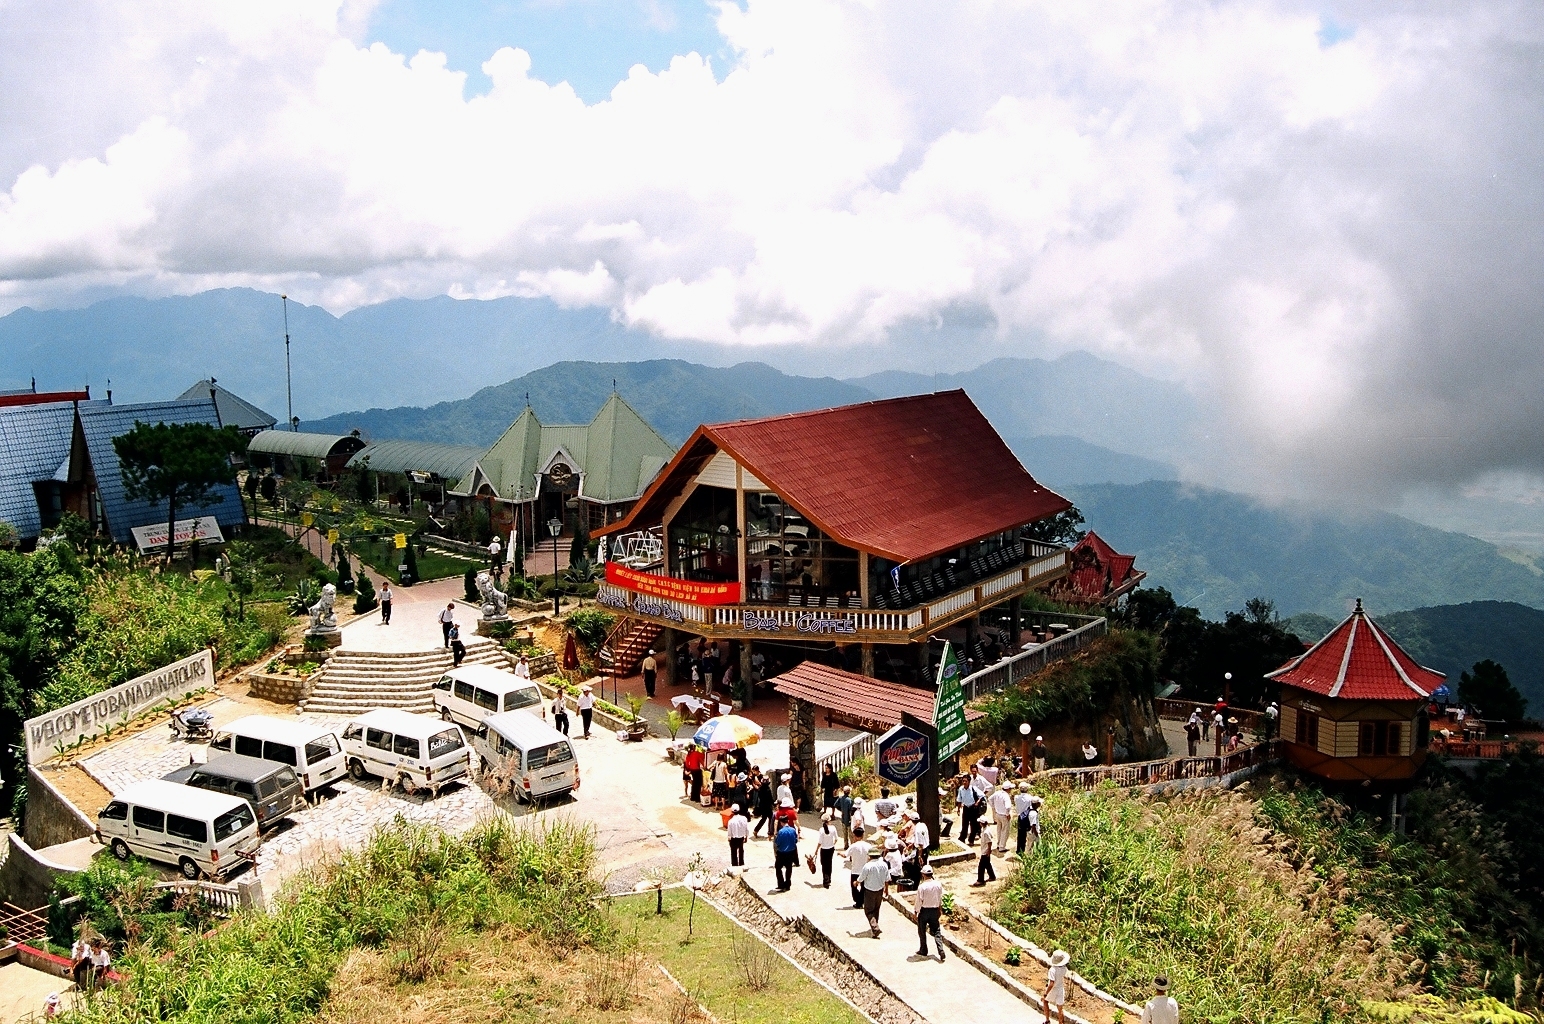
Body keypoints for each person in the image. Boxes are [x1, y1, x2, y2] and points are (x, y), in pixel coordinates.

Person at [913, 864, 946, 961]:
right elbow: (940, 897)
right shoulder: (938, 885)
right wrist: (940, 909)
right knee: (937, 931)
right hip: (934, 910)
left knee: (922, 930)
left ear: (923, 874)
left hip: (924, 911)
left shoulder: (922, 887)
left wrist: (916, 912)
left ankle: (923, 949)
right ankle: (940, 949)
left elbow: (919, 901)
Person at [859, 844, 891, 937]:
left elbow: (861, 878)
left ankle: (875, 927)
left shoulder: (868, 866)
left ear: (870, 856)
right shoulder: (884, 865)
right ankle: (874, 930)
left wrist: (856, 882)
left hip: (869, 891)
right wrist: (886, 890)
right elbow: (887, 879)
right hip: (880, 890)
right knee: (876, 909)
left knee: (868, 910)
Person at [845, 825, 872, 908]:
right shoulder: (868, 846)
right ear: (863, 835)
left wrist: (839, 853)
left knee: (854, 887)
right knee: (864, 887)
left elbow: (845, 855)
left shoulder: (853, 846)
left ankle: (858, 901)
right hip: (865, 870)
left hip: (855, 870)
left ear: (854, 835)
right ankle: (862, 901)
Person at [1044, 949, 1071, 1024]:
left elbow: (1051, 983)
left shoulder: (1052, 970)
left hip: (1053, 989)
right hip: (1060, 988)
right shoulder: (1064, 969)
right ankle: (1060, 1022)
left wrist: (1046, 993)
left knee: (1045, 1001)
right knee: (1060, 1008)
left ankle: (1047, 1020)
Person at [773, 819, 800, 891]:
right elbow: (796, 840)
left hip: (782, 852)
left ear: (781, 822)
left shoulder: (781, 831)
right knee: (789, 869)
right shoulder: (793, 830)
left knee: (778, 868)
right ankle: (788, 884)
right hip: (791, 852)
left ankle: (781, 884)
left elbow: (777, 843)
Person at [956, 775, 982, 846]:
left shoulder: (973, 788)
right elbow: (959, 799)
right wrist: (958, 809)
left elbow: (981, 795)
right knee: (964, 824)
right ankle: (962, 838)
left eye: (966, 781)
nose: (964, 782)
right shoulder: (961, 789)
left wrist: (977, 802)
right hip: (966, 808)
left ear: (969, 782)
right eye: (963, 781)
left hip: (973, 808)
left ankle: (971, 840)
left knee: (973, 825)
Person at [816, 812, 839, 887]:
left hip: (824, 849)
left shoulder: (821, 830)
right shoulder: (833, 828)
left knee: (824, 864)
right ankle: (829, 878)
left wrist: (816, 850)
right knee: (829, 864)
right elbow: (836, 839)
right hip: (831, 848)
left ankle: (825, 879)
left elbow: (820, 842)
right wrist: (832, 844)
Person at [1015, 783, 1038, 854]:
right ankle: (1029, 850)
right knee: (1029, 833)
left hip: (1020, 817)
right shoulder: (1030, 798)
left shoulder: (1016, 797)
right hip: (1027, 816)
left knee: (1020, 834)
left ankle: (1019, 850)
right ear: (1027, 789)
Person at [989, 782, 1013, 852]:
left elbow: (990, 799)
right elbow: (1008, 806)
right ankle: (1002, 846)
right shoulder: (1006, 796)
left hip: (998, 814)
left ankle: (999, 844)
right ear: (1008, 789)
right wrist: (1007, 814)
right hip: (1004, 815)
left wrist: (993, 807)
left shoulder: (997, 793)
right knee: (1005, 831)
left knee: (999, 830)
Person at [752, 772, 775, 838]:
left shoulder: (760, 789)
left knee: (763, 819)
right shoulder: (768, 790)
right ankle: (770, 833)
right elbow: (770, 799)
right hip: (767, 806)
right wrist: (774, 804)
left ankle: (756, 830)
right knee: (771, 819)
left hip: (762, 806)